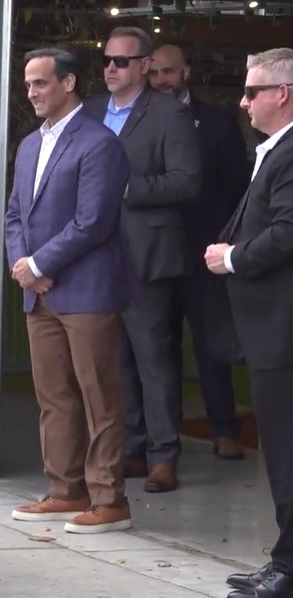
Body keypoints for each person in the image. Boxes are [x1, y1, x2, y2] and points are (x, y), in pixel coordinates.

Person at [5, 48, 132, 533]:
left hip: (88, 292)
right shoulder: (28, 145)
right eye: (28, 84)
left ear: (69, 83)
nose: (32, 93)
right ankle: (65, 489)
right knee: (54, 397)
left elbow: (94, 221)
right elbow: (16, 213)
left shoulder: (99, 144)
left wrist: (39, 263)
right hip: (38, 293)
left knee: (99, 396)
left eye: (40, 83)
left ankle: (110, 500)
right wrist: (25, 268)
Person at [83, 27, 201, 493]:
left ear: (145, 66)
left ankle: (163, 454)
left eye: (122, 61)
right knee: (115, 359)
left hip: (145, 252)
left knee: (153, 355)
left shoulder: (170, 114)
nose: (111, 68)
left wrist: (127, 187)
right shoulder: (89, 111)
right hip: (93, 254)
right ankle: (130, 446)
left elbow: (186, 182)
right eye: (107, 60)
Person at [207, 47, 293, 598]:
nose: (243, 101)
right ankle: (284, 558)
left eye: (253, 91)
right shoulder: (273, 150)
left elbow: (288, 230)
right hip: (268, 329)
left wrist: (232, 257)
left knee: (286, 451)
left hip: (282, 330)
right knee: (280, 451)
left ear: (282, 94)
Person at [149, 44, 250, 460]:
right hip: (155, 254)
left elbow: (237, 189)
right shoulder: (137, 122)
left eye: (169, 72)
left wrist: (227, 244)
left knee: (212, 346)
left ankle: (224, 429)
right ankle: (162, 440)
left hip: (204, 251)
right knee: (158, 350)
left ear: (186, 71)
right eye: (154, 73)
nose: (161, 80)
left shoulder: (217, 123)